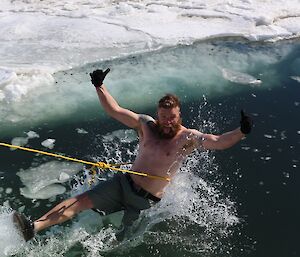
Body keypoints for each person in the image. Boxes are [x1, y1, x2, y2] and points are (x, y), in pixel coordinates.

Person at [13, 68, 252, 241]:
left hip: (144, 200)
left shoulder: (187, 138)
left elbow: (218, 142)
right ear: (157, 114)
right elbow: (115, 110)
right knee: (81, 201)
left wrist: (241, 132)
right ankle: (33, 227)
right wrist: (99, 86)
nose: (168, 121)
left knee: (122, 240)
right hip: (123, 183)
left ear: (179, 115)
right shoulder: (145, 125)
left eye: (173, 117)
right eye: (164, 116)